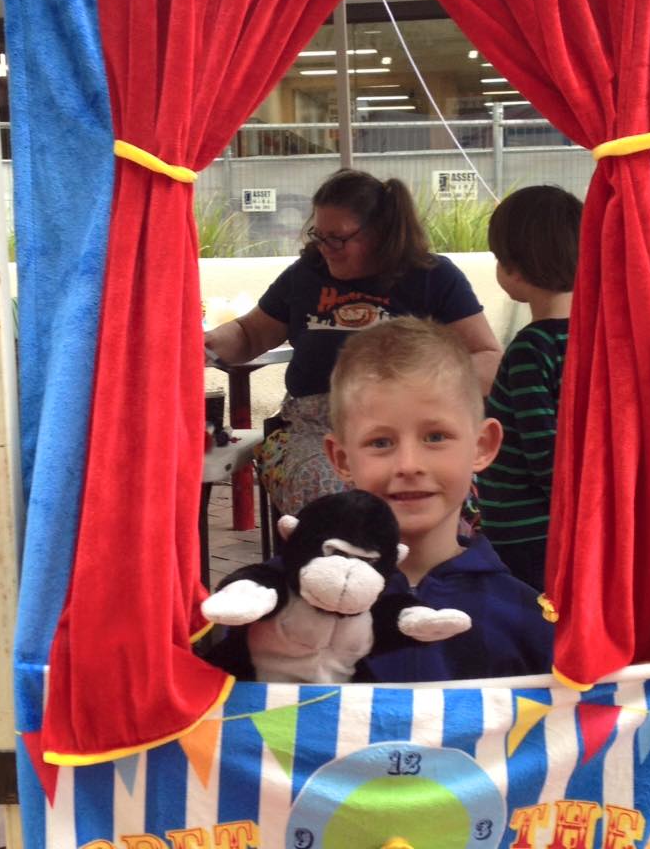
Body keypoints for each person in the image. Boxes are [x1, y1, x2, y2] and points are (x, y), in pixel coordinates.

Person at [204, 169, 502, 515]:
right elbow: (250, 333)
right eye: (319, 235)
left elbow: (489, 359)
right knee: (335, 500)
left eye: (338, 238)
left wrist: (418, 386)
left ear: (380, 233)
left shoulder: (431, 276)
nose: (325, 248)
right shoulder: (306, 274)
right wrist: (206, 344)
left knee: (420, 492)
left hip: (409, 428)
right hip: (317, 429)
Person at [323, 317, 554, 682]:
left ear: (482, 446)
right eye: (380, 442)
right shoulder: (294, 604)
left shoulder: (526, 620)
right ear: (342, 459)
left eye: (435, 437)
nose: (409, 465)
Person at [475, 185, 582, 592]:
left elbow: (544, 450)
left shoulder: (530, 348)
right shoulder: (596, 343)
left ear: (514, 270)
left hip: (527, 531)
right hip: (579, 525)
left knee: (533, 619)